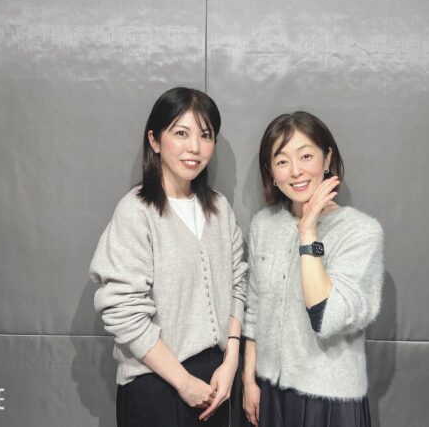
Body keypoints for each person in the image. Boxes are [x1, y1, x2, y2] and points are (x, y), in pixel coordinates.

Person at [90, 87, 247, 427]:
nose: (195, 147)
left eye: (205, 135)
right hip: (155, 383)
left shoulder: (220, 209)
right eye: (181, 133)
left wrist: (231, 360)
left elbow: (239, 282)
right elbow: (122, 311)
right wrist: (183, 381)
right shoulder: (136, 212)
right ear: (155, 140)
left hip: (217, 379)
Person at [242, 111, 384, 427]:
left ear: (327, 158)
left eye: (306, 156)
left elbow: (327, 318)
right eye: (282, 161)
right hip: (270, 393)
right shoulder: (264, 225)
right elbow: (254, 310)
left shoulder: (360, 232)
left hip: (329, 400)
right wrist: (249, 379)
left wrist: (308, 234)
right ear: (271, 171)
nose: (296, 171)